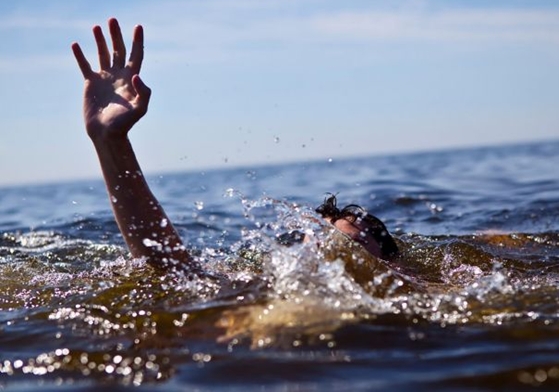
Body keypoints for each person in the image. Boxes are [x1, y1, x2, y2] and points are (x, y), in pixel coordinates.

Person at [71, 18, 398, 273]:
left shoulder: (412, 296)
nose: (328, 248)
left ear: (391, 263)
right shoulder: (264, 290)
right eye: (323, 239)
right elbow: (170, 269)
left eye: (348, 241)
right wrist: (110, 142)